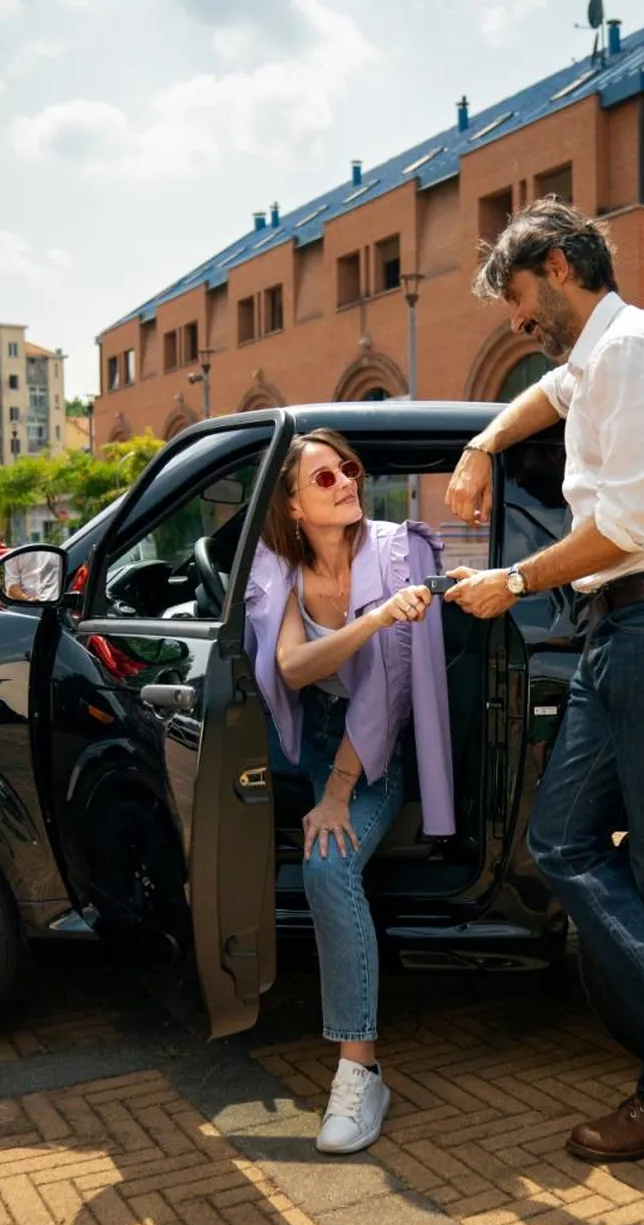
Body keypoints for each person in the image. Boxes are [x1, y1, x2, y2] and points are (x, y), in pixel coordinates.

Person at [443, 198, 644, 1178]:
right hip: (634, 628)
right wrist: (480, 445)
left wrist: (511, 582)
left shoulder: (632, 351)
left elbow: (623, 526)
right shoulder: (601, 357)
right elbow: (546, 395)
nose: (514, 319)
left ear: (555, 262)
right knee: (574, 841)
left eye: (515, 295)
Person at [244, 429, 455, 1155]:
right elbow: (294, 669)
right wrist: (368, 620)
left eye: (350, 470)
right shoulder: (278, 564)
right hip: (306, 726)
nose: (344, 483)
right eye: (324, 477)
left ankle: (360, 1072)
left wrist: (335, 793)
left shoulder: (399, 552)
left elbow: (389, 696)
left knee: (328, 866)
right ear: (294, 506)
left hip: (373, 742)